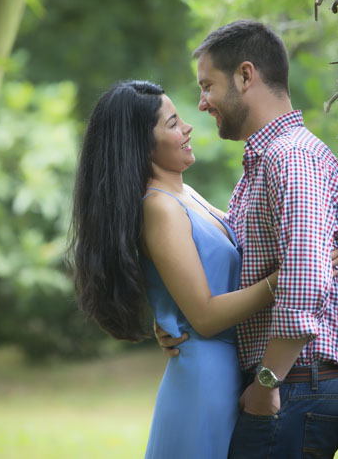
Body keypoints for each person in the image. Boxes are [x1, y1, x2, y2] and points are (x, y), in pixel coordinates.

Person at [158, 20, 338, 458]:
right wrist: (173, 320)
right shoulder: (264, 163)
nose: (202, 103)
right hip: (289, 384)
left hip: (293, 385)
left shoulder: (292, 157)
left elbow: (305, 277)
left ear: (245, 76)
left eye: (207, 86)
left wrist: (267, 383)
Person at [70, 80, 282, 459]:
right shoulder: (160, 208)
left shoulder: (185, 194)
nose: (188, 127)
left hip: (224, 370)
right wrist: (286, 279)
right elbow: (204, 316)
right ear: (140, 144)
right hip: (205, 379)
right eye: (172, 124)